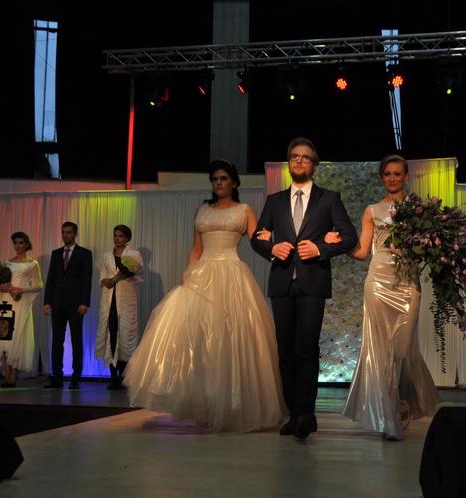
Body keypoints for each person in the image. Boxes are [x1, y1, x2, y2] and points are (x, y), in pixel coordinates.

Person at [123, 160, 285, 433]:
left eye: (224, 178)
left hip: (232, 274)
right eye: (215, 179)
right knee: (198, 340)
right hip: (202, 275)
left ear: (234, 182)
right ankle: (205, 404)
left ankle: (231, 404)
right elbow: (196, 249)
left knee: (229, 338)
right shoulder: (202, 210)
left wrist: (275, 246)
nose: (219, 183)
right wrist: (188, 275)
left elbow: (258, 241)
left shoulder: (244, 210)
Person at [326, 154, 440, 440]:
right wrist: (340, 244)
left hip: (407, 284)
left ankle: (404, 402)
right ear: (381, 177)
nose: (392, 178)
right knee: (382, 352)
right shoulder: (372, 210)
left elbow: (429, 249)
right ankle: (391, 416)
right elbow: (363, 251)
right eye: (387, 174)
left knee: (403, 351)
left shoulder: (419, 211)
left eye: (397, 173)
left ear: (406, 176)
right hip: (377, 283)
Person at [251, 137, 357, 440]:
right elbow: (257, 238)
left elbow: (349, 237)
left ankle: (307, 414)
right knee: (285, 351)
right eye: (294, 156)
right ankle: (293, 414)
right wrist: (272, 248)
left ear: (314, 164)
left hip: (313, 282)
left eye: (305, 157)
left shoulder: (329, 199)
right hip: (282, 282)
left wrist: (321, 248)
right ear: (289, 162)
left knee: (306, 348)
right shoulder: (274, 201)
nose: (299, 161)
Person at [0, 232, 43, 387]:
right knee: (4, 336)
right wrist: (1, 287)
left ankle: (13, 374)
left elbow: (38, 285)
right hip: (6, 301)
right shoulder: (7, 263)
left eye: (20, 242)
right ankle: (7, 373)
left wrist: (22, 289)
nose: (17, 246)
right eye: (15, 243)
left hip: (20, 302)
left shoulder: (32, 264)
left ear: (27, 244)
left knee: (17, 335)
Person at [43, 221, 93, 390]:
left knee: (76, 340)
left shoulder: (84, 254)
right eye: (63, 232)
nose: (66, 235)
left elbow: (87, 280)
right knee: (57, 340)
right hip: (57, 303)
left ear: (75, 233)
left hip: (76, 304)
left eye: (69, 232)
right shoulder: (56, 253)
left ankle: (75, 377)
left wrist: (84, 302)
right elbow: (51, 279)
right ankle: (57, 377)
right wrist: (47, 301)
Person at [95, 225, 143, 390]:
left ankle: (123, 376)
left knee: (124, 334)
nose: (117, 238)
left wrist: (117, 278)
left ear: (127, 238)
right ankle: (113, 376)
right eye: (115, 235)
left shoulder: (134, 254)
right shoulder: (107, 255)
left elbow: (137, 275)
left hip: (126, 299)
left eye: (121, 236)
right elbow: (103, 274)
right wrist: (105, 280)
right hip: (108, 299)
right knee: (111, 332)